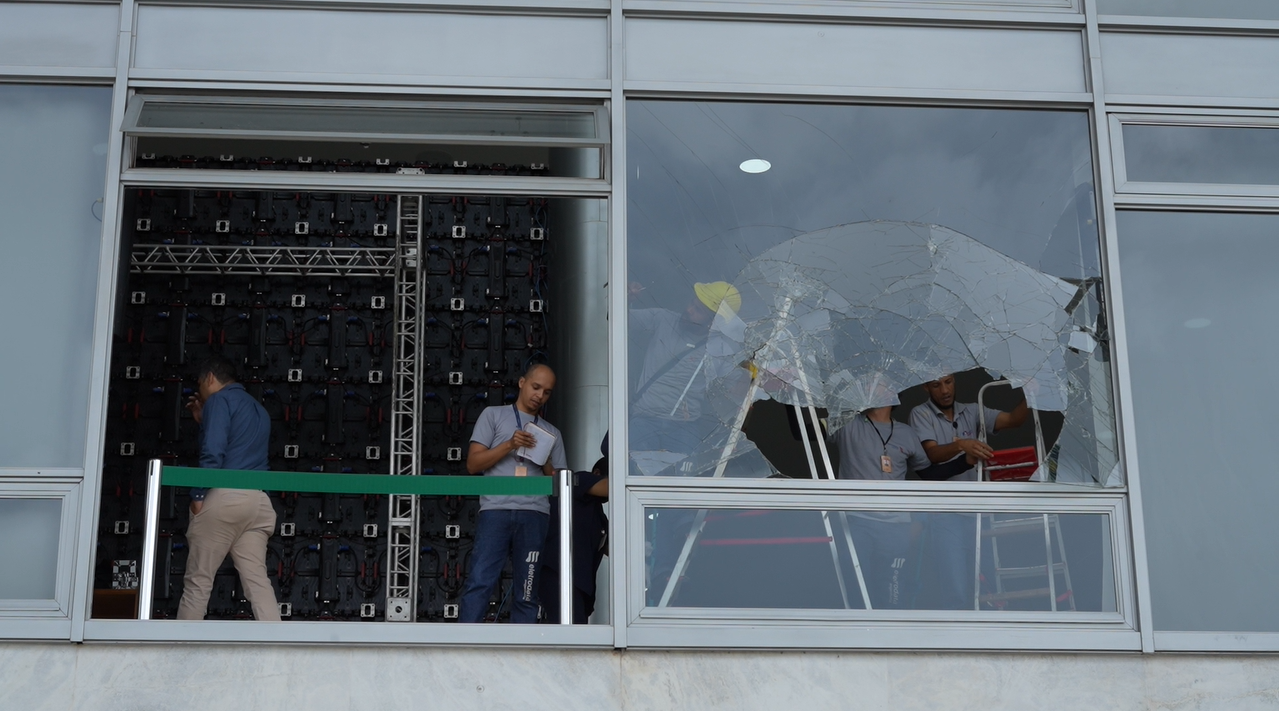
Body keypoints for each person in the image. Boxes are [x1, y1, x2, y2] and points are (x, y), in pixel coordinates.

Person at [830, 403, 972, 609]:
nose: (872, 384)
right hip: (857, 523)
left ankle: (889, 640)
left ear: (892, 393)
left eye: (879, 381)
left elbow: (928, 474)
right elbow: (803, 432)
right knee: (856, 589)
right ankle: (862, 639)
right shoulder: (847, 422)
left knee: (893, 595)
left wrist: (965, 462)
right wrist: (791, 392)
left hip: (896, 528)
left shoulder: (906, 432)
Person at [908, 373, 1030, 610]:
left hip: (979, 512)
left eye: (948, 382)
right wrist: (961, 445)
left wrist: (1031, 391)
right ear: (925, 387)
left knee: (989, 585)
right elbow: (932, 454)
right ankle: (958, 643)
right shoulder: (919, 413)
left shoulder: (972, 410)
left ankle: (992, 638)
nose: (944, 390)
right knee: (955, 588)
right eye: (936, 385)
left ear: (954, 380)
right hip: (944, 514)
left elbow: (1015, 419)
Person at [459, 363, 568, 623]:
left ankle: (524, 653)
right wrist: (510, 444)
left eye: (547, 392)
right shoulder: (493, 415)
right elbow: (473, 465)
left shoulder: (552, 432)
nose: (539, 396)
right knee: (480, 581)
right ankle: (463, 647)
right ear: (521, 383)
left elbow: (559, 485)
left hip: (535, 513)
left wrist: (543, 460)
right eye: (536, 387)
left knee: (528, 590)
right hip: (495, 510)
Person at [177, 355, 281, 621]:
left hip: (225, 499)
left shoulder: (219, 400)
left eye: (199, 384)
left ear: (210, 378)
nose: (199, 392)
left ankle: (178, 655)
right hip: (258, 504)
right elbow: (239, 446)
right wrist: (204, 421)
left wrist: (198, 495)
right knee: (258, 583)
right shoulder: (258, 408)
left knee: (198, 581)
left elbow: (213, 452)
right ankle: (279, 651)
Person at [628, 280, 741, 455]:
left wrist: (763, 375)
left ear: (713, 322)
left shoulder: (721, 350)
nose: (689, 310)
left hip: (684, 429)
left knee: (683, 483)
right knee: (630, 477)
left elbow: (736, 391)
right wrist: (625, 298)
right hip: (644, 420)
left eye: (698, 310)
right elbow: (619, 321)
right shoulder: (662, 319)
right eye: (692, 303)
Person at [538, 454, 608, 624]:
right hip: (558, 575)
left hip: (579, 585)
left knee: (576, 635)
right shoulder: (578, 480)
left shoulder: (598, 515)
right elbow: (612, 487)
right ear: (597, 473)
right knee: (570, 635)